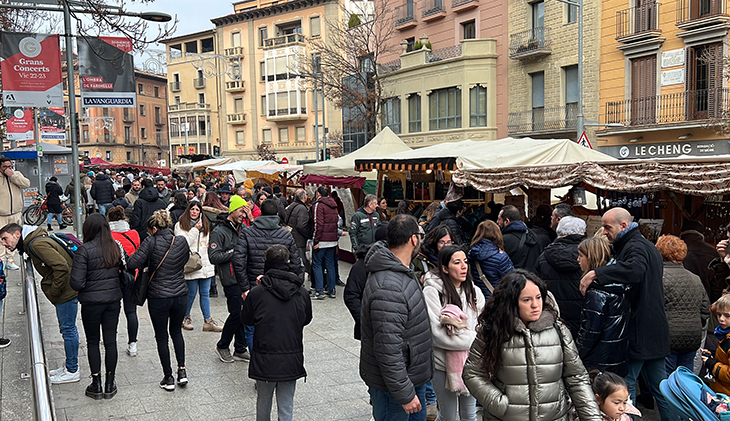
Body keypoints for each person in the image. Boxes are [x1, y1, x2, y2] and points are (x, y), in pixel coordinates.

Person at [462, 269, 601, 421]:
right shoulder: (493, 331)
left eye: (539, 297)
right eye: (527, 300)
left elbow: (576, 378)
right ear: (512, 302)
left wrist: (593, 418)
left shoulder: (558, 330)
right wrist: (498, 403)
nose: (535, 305)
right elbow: (472, 373)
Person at [579, 207, 671, 421]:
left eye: (607, 227)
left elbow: (635, 271)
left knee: (624, 388)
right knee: (661, 389)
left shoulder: (635, 247)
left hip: (639, 330)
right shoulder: (646, 246)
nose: (603, 232)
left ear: (623, 226)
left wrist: (596, 273)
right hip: (655, 328)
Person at [360, 214, 433, 421]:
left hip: (409, 380)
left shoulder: (401, 272)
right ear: (413, 239)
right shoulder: (389, 286)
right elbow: (387, 348)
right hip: (396, 388)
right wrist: (405, 394)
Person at [0, 223, 80, 384]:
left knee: (68, 329)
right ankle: (69, 366)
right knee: (67, 329)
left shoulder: (37, 243)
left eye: (5, 239)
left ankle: (72, 369)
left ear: (17, 234)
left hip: (66, 291)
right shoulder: (34, 240)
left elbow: (61, 267)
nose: (4, 244)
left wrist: (54, 291)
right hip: (68, 288)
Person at [241, 245, 312, 421]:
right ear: (288, 262)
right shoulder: (301, 292)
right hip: (291, 357)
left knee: (263, 404)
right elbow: (306, 319)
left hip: (264, 357)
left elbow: (246, 320)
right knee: (286, 405)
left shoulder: (257, 293)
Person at [128, 210, 190, 391]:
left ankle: (168, 377)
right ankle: (182, 371)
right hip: (180, 294)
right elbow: (185, 260)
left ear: (154, 228)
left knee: (162, 337)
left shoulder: (150, 241)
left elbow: (132, 263)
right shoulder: (180, 241)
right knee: (177, 333)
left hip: (158, 296)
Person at [422, 246, 485, 421]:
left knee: (469, 415)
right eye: (457, 262)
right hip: (442, 364)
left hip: (471, 363)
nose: (464, 266)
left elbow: (483, 326)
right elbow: (437, 335)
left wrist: (472, 338)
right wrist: (474, 338)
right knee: (447, 416)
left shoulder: (474, 292)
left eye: (465, 261)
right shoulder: (432, 291)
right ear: (445, 268)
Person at [70, 214, 123, 400]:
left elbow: (76, 282)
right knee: (110, 342)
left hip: (91, 304)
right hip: (113, 301)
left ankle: (96, 383)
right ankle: (110, 384)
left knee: (93, 342)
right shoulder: (115, 247)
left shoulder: (84, 250)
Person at [655, 235, 709, 376]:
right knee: (685, 379)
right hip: (692, 336)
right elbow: (705, 308)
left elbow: (654, 308)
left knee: (667, 379)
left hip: (668, 337)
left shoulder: (658, 277)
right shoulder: (695, 278)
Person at [576, 237, 630, 376]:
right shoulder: (620, 286)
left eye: (581, 256)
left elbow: (590, 333)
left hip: (597, 362)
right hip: (616, 358)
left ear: (591, 258)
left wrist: (576, 355)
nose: (578, 259)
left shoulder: (596, 293)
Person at [209, 196, 251, 363]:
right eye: (241, 210)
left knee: (244, 313)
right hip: (231, 278)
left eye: (245, 211)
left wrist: (252, 219)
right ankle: (223, 345)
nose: (243, 214)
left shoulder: (243, 228)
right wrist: (236, 252)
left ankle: (240, 348)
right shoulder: (219, 231)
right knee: (236, 313)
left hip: (244, 277)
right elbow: (214, 256)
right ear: (232, 210)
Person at [534, 216, 586, 338]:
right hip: (582, 317)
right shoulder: (589, 256)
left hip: (553, 316)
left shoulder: (544, 256)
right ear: (582, 232)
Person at [175, 201, 222, 333]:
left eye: (197, 209)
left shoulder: (205, 224)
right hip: (192, 263)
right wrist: (195, 229)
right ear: (188, 210)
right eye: (192, 209)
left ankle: (208, 321)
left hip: (206, 263)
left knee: (205, 293)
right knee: (191, 294)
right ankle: (186, 317)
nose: (195, 212)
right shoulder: (180, 225)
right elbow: (183, 243)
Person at [107, 206, 140, 357]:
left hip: (115, 277)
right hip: (133, 276)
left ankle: (110, 343)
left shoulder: (108, 236)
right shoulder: (134, 234)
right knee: (131, 311)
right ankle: (132, 344)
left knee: (112, 312)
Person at [468, 220, 514, 299]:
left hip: (477, 298)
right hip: (494, 300)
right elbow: (512, 280)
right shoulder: (501, 257)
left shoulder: (471, 254)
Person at [680, 220, 723, 302]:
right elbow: (717, 284)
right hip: (705, 300)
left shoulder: (672, 250)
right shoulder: (713, 252)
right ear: (702, 233)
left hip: (678, 301)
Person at [0, 158, 30, 270]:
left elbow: (26, 184)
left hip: (15, 212)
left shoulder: (16, 174)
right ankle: (1, 260)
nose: (8, 169)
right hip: (1, 214)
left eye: (9, 166)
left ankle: (10, 259)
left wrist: (12, 176)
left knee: (13, 238)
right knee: (2, 239)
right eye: (5, 167)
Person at [311, 187, 339, 300]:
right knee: (330, 264)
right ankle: (331, 289)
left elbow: (318, 224)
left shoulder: (319, 205)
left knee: (317, 264)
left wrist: (316, 240)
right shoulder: (334, 205)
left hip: (321, 240)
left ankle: (319, 291)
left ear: (318, 194)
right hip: (332, 240)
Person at [497, 205, 542, 271]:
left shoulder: (504, 240)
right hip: (532, 278)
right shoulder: (534, 236)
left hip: (514, 278)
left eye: (499, 219)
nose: (497, 222)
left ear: (507, 221)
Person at [703, 294, 730, 395]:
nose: (721, 319)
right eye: (719, 315)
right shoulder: (724, 334)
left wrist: (712, 364)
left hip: (726, 396)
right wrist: (713, 356)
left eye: (727, 316)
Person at [285, 189, 311, 284]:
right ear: (304, 196)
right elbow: (301, 225)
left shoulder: (291, 205)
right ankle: (299, 283)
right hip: (299, 240)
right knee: (301, 262)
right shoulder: (302, 209)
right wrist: (309, 235)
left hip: (290, 237)